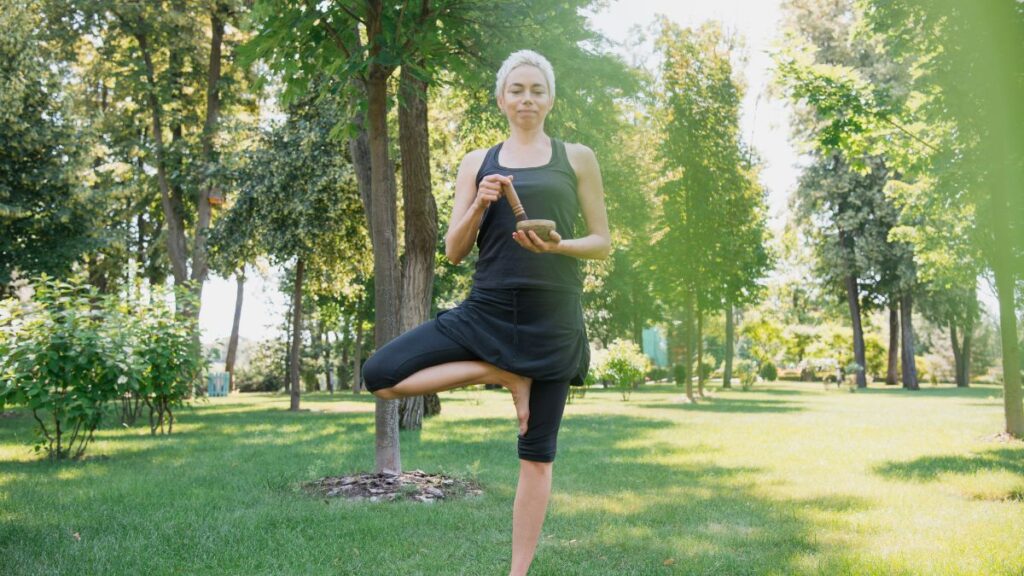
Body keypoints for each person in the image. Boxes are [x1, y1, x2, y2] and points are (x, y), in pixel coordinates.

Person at [361, 49, 610, 576]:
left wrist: (560, 246)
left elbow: (602, 242)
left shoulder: (577, 157)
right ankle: (503, 372)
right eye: (516, 89)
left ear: (550, 99)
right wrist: (479, 203)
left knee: (536, 456)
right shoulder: (479, 162)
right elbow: (453, 250)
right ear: (502, 99)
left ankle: (517, 573)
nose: (526, 98)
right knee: (380, 375)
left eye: (536, 90)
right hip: (486, 311)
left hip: (553, 319)